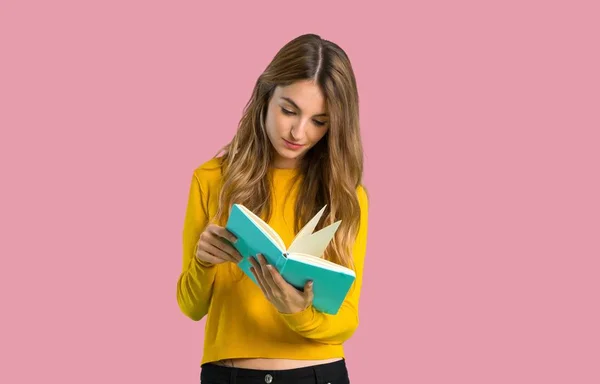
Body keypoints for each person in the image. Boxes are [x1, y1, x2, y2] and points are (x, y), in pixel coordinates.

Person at [176, 33, 369, 384]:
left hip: (316, 375)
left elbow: (347, 319)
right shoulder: (210, 179)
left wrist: (296, 311)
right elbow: (191, 307)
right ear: (266, 96)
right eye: (289, 110)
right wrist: (203, 263)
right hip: (228, 376)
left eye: (319, 121)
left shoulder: (345, 194)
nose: (299, 131)